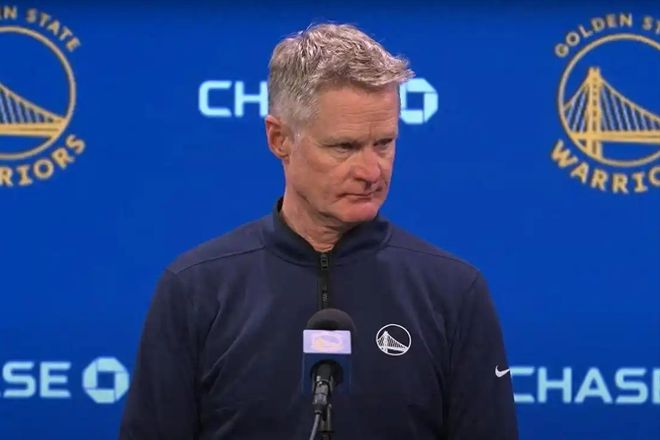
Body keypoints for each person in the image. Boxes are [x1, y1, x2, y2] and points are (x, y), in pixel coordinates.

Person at [119, 23, 518, 439]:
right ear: (279, 139)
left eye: (383, 143)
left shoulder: (454, 294)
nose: (371, 171)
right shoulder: (195, 290)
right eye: (344, 147)